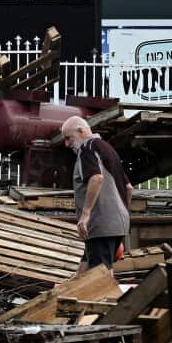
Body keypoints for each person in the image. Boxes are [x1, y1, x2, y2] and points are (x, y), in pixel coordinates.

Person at [60, 115, 133, 272]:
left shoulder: (87, 148)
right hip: (117, 224)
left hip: (100, 224)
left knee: (100, 276)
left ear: (81, 131)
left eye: (68, 138)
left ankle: (106, 297)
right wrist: (122, 217)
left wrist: (85, 215)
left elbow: (96, 177)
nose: (66, 144)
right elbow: (128, 188)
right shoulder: (108, 149)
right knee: (84, 270)